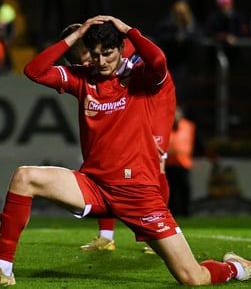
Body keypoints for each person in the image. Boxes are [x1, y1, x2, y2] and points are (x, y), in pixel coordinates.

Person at [0, 16, 251, 286]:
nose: (99, 61)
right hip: (95, 186)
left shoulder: (140, 79)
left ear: (121, 49)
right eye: (94, 54)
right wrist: (75, 35)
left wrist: (129, 30)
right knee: (24, 177)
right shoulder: (83, 78)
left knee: (192, 277)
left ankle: (237, 268)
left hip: (138, 193)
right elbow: (34, 70)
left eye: (107, 53)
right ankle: (2, 271)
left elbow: (159, 62)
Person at [59, 23, 175, 255]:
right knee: (105, 162)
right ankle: (106, 236)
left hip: (154, 99)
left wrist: (127, 29)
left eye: (85, 60)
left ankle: (159, 230)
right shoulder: (99, 61)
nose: (90, 65)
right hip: (130, 98)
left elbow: (156, 60)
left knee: (156, 163)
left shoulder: (118, 45)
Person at [165, 106, 196, 217]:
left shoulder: (189, 126)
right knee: (171, 190)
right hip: (169, 164)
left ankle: (185, 211)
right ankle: (172, 212)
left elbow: (196, 142)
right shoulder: (165, 125)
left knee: (184, 188)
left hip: (184, 164)